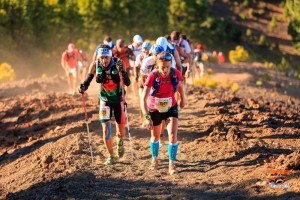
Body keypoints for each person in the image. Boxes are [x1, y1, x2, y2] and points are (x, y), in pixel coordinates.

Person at [79, 44, 131, 165]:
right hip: (105, 100)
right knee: (106, 130)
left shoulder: (119, 62)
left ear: (110, 56)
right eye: (101, 57)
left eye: (106, 57)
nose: (103, 60)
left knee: (120, 131)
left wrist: (122, 71)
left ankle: (120, 141)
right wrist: (82, 87)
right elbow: (87, 81)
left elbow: (127, 83)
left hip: (118, 100)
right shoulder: (95, 65)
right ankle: (111, 155)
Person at [140, 51, 185, 175]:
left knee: (172, 134)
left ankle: (172, 164)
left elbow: (180, 86)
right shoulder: (152, 76)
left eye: (167, 67)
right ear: (156, 66)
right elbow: (143, 98)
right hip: (155, 108)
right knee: (155, 136)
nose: (165, 70)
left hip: (171, 106)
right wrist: (146, 117)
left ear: (171, 65)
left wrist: (183, 99)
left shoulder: (175, 73)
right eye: (162, 67)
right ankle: (155, 159)